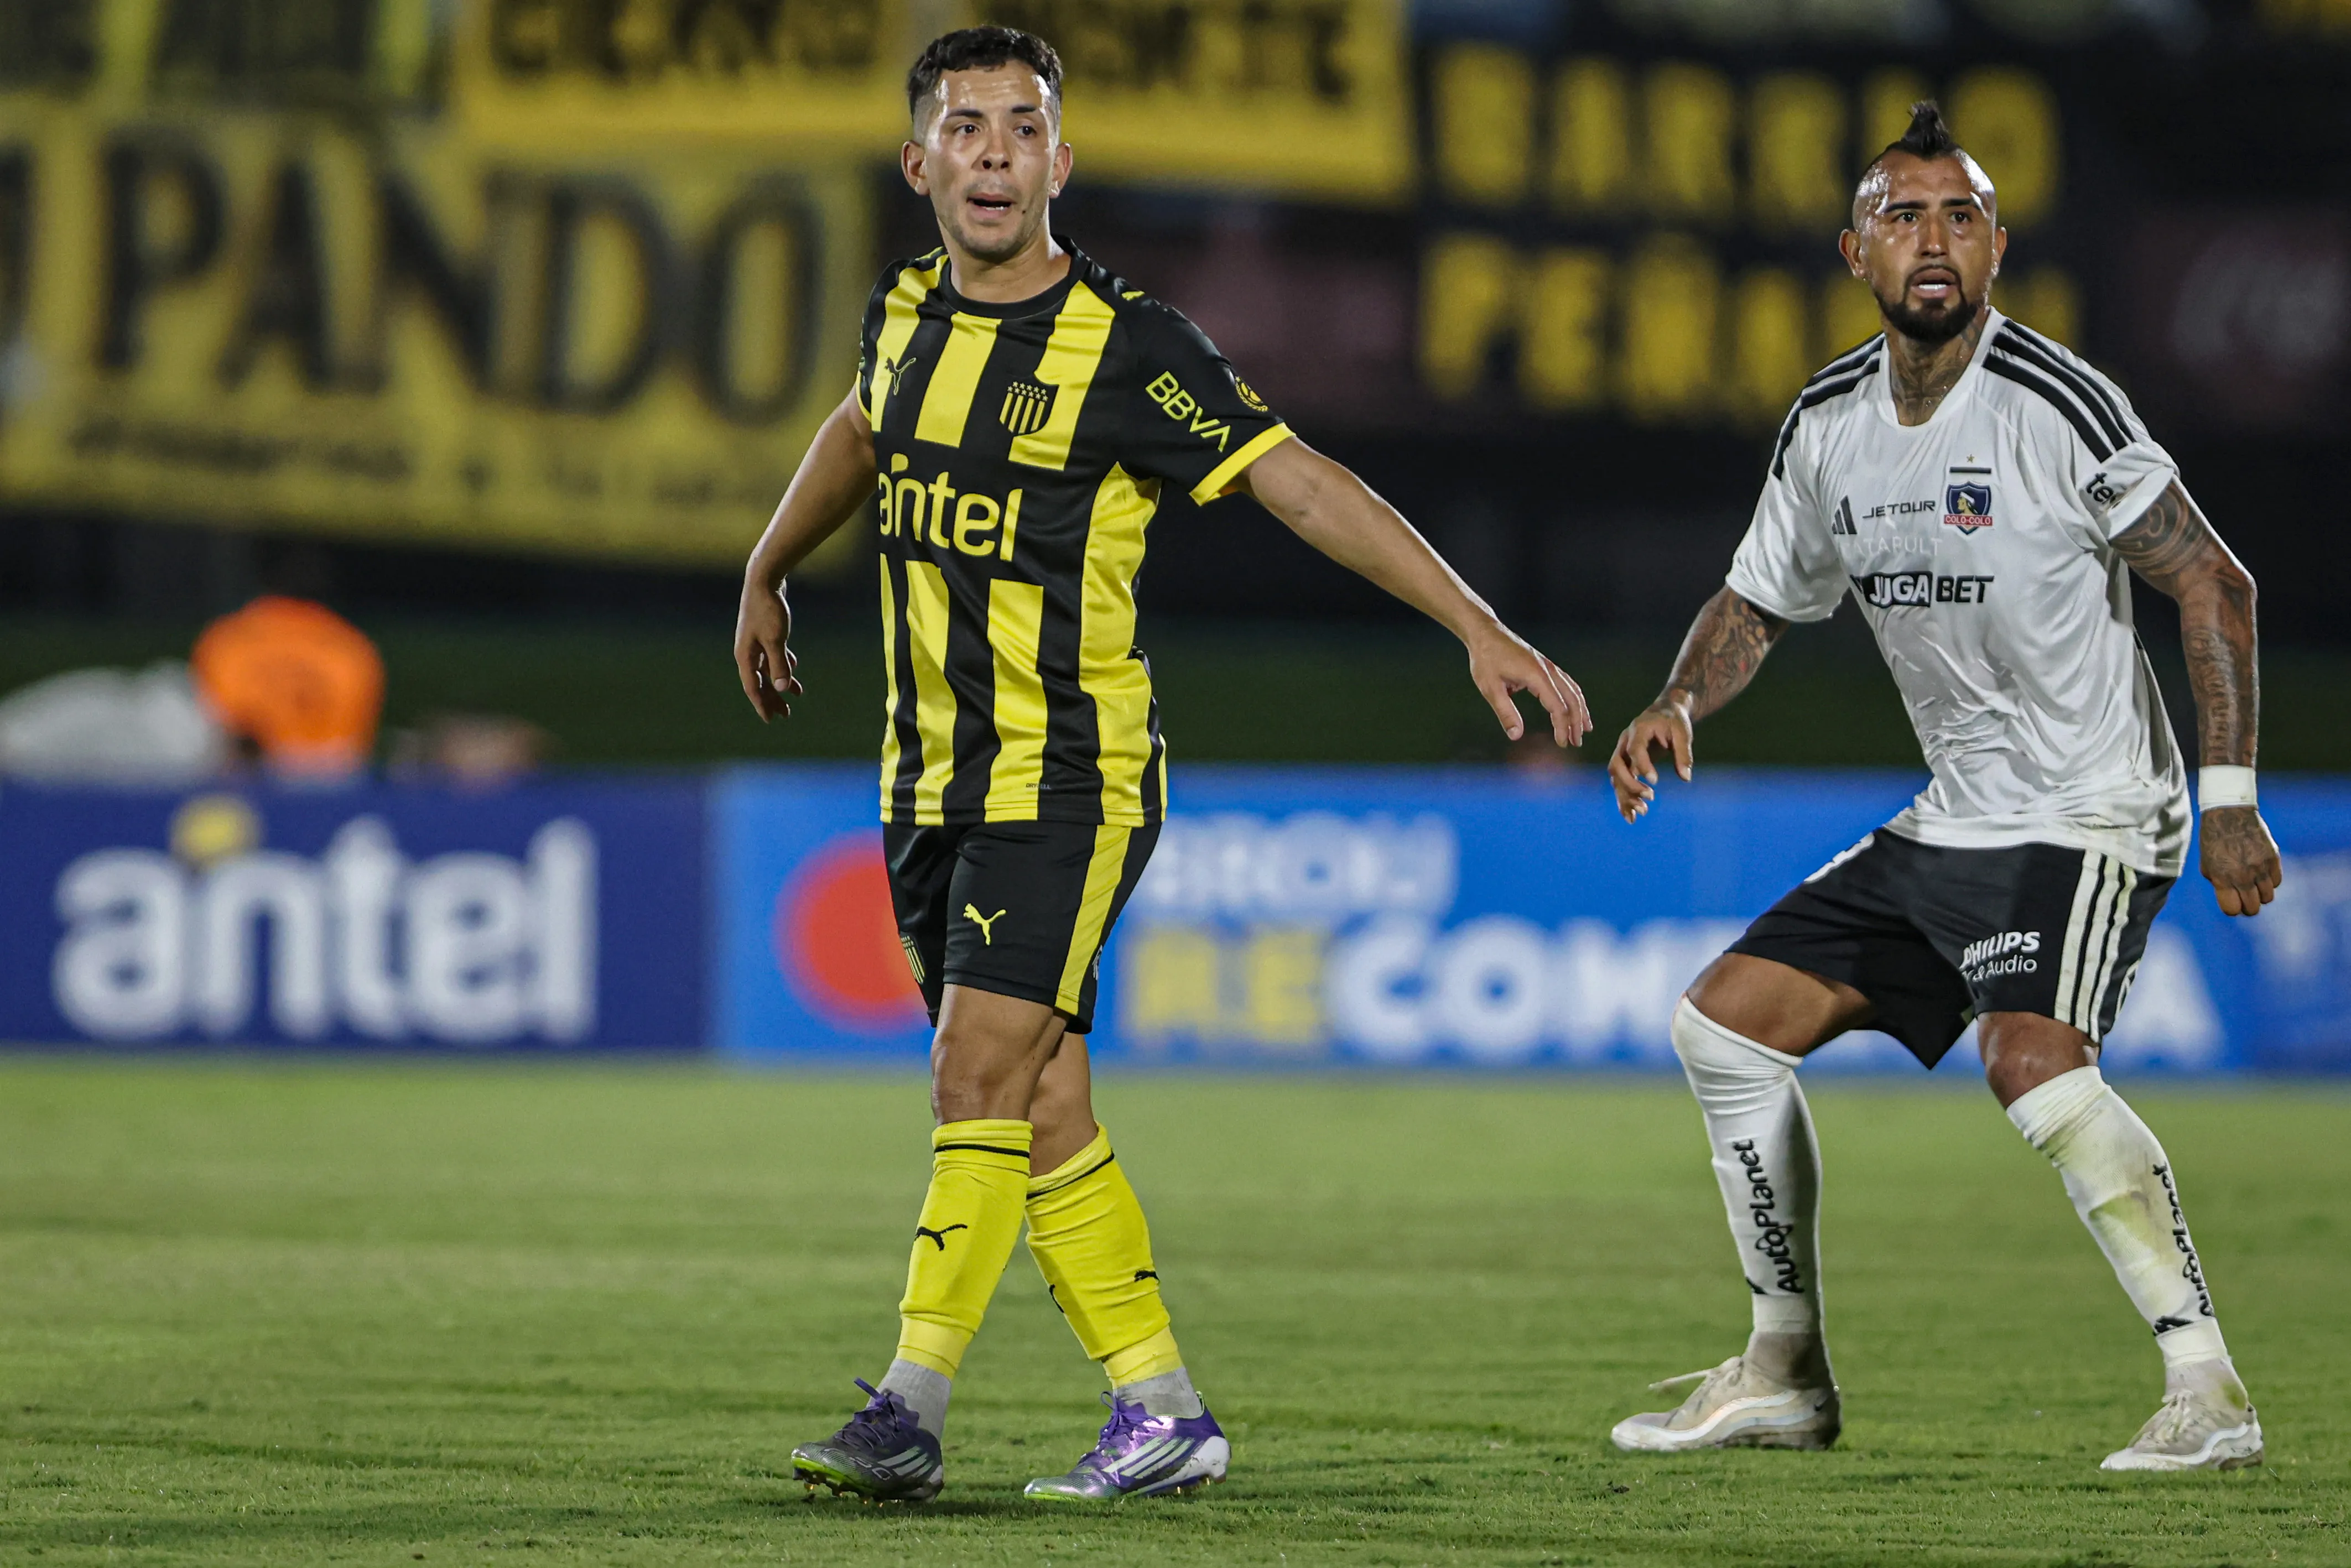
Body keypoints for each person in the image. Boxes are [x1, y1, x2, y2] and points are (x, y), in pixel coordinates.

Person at [733, 26, 1589, 1505]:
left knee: (970, 1068)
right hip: (928, 776)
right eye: (965, 126)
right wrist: (766, 564)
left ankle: (908, 1404)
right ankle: (1160, 1410)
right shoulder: (904, 312)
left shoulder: (1131, 349)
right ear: (918, 162)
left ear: (1060, 162)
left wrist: (1475, 621)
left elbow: (1299, 481)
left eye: (1020, 127)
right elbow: (867, 425)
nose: (993, 151)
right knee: (1045, 1098)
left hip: (1067, 777)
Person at [1604, 103, 2277, 1473]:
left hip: (2091, 806)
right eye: (1905, 216)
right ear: (1856, 249)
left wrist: (2225, 797)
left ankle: (2208, 1392)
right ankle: (1783, 1366)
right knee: (1722, 1029)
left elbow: (2213, 580)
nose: (1934, 239)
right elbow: (1755, 599)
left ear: (1996, 247)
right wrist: (1678, 697)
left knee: (2029, 1063)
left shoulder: (2055, 401)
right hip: (1955, 812)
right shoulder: (1829, 424)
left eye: (1961, 216)